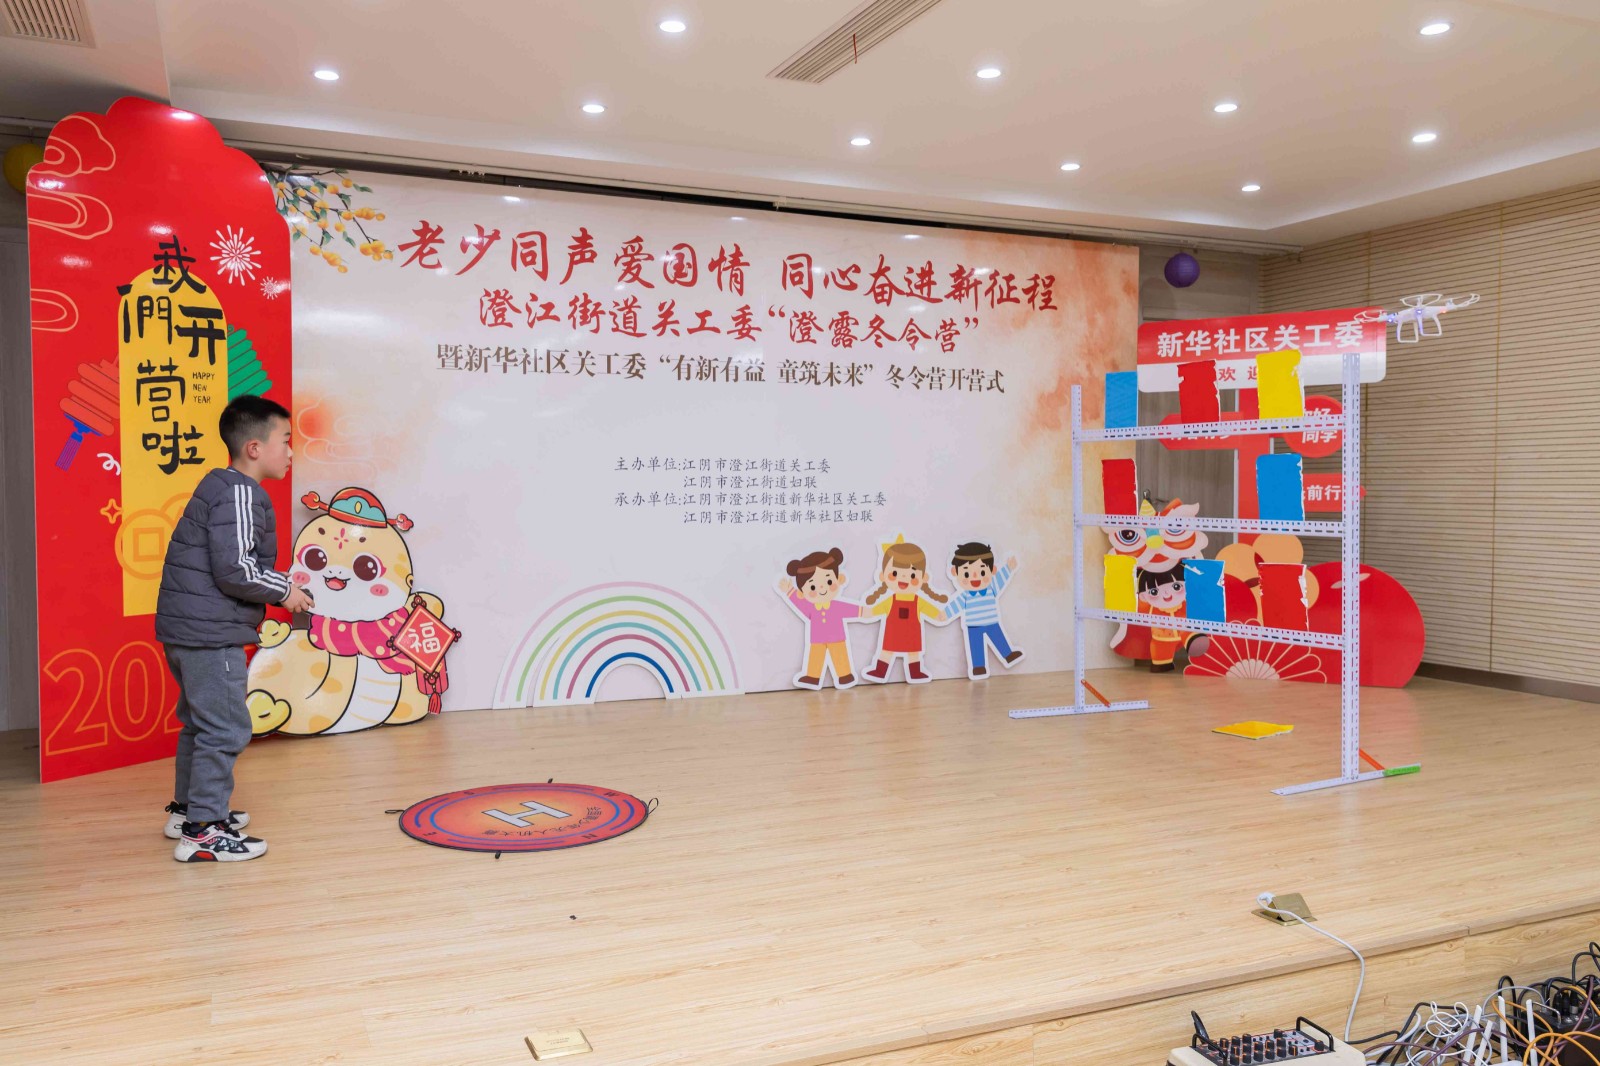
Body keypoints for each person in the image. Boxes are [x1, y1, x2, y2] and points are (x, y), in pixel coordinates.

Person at [155, 395, 313, 861]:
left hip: (188, 631)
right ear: (254, 448)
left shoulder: (218, 486)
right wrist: (285, 591)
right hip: (212, 634)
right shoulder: (242, 492)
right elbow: (237, 570)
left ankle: (189, 811)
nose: (291, 451)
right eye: (285, 440)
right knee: (225, 728)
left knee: (200, 725)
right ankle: (203, 832)